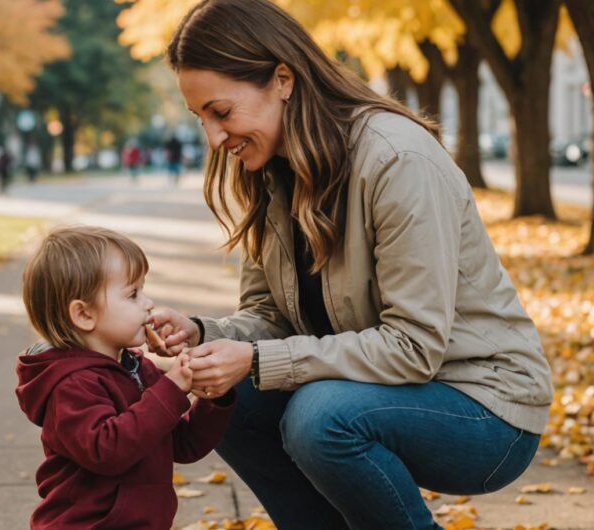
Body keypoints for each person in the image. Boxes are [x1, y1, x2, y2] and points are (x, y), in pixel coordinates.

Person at [146, 0, 554, 528]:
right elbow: (269, 315)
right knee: (228, 399)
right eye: (201, 119)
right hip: (375, 390)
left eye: (221, 113)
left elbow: (414, 347)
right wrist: (203, 336)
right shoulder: (271, 172)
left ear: (283, 80)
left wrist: (258, 360)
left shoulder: (395, 159)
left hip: (484, 408)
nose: (214, 139)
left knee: (320, 418)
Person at [16, 226, 235, 530]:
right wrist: (171, 389)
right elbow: (108, 450)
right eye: (132, 294)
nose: (148, 302)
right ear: (83, 315)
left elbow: (183, 445)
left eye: (143, 290)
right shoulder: (70, 386)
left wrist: (212, 396)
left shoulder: (137, 369)